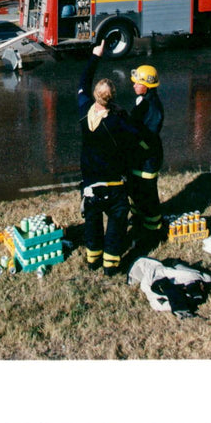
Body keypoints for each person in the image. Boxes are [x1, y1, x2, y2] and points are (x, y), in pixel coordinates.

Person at [77, 41, 146, 277]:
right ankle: (111, 264)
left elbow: (82, 82)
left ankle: (92, 257)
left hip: (90, 185)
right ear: (113, 97)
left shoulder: (83, 109)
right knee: (116, 224)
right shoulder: (119, 121)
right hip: (114, 185)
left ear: (95, 96)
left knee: (92, 222)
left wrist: (95, 56)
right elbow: (136, 137)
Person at [127, 63, 165, 251]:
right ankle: (137, 218)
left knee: (148, 194)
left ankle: (153, 230)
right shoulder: (142, 100)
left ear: (147, 85)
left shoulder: (154, 108)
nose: (134, 85)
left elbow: (148, 138)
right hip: (138, 157)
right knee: (135, 190)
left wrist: (133, 142)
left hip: (147, 158)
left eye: (137, 83)